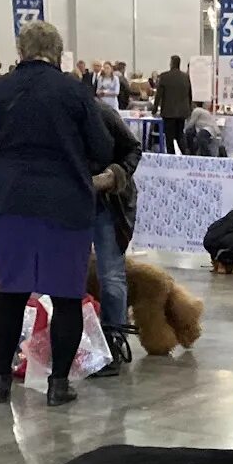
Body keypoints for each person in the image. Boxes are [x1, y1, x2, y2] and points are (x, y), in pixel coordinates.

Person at [0, 20, 110, 407]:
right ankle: (58, 385)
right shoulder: (75, 92)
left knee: (11, 293)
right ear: (57, 52)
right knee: (66, 296)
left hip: (11, 202)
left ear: (20, 50)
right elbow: (102, 147)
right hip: (65, 205)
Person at [90, 101, 142, 366]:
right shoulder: (51, 116)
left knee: (111, 276)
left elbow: (133, 149)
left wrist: (113, 175)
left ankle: (115, 340)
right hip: (69, 204)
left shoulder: (102, 113)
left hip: (109, 204)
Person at [153, 54, 192, 154]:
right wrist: (189, 109)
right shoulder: (185, 77)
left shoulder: (164, 76)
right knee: (180, 136)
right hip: (182, 112)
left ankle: (172, 159)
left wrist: (154, 109)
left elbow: (158, 95)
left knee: (169, 139)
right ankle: (186, 156)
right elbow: (190, 94)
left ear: (171, 63)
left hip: (168, 112)